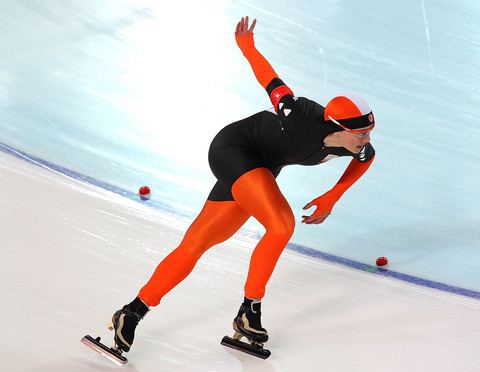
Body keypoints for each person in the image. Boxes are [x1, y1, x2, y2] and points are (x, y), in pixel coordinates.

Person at [109, 16, 376, 353]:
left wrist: (333, 196)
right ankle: (250, 311)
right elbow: (271, 81)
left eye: (368, 133)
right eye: (361, 134)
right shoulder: (300, 115)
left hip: (261, 168)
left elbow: (366, 160)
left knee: (196, 243)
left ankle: (131, 312)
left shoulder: (357, 145)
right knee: (281, 225)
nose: (365, 140)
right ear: (339, 126)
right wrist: (247, 46)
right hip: (234, 150)